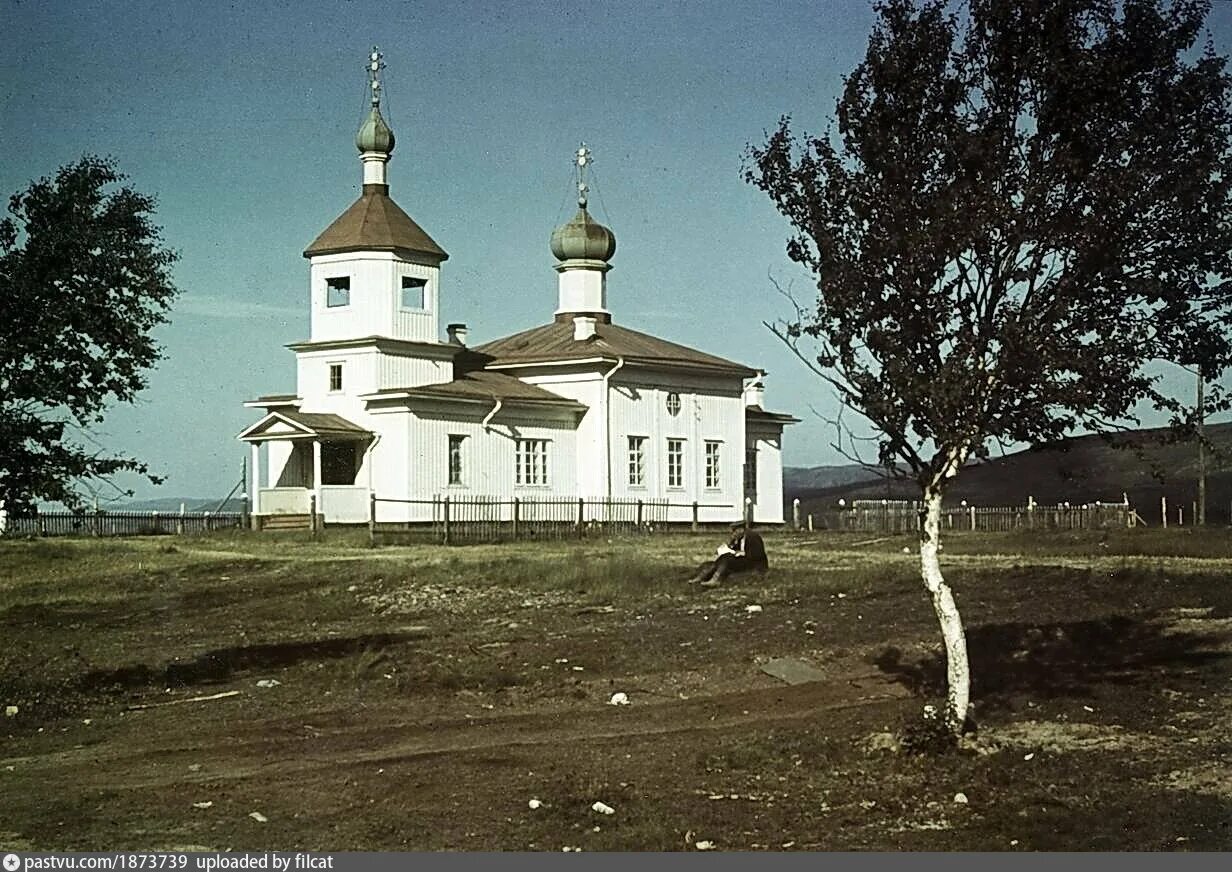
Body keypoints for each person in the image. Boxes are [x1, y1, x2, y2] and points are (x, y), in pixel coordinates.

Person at [687, 523, 768, 587]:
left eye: (735, 531)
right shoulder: (739, 538)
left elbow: (755, 555)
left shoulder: (752, 537)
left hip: (754, 563)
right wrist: (731, 544)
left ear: (741, 530)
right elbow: (733, 548)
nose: (734, 533)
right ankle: (703, 577)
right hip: (744, 559)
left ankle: (716, 579)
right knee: (724, 557)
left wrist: (737, 553)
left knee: (727, 559)